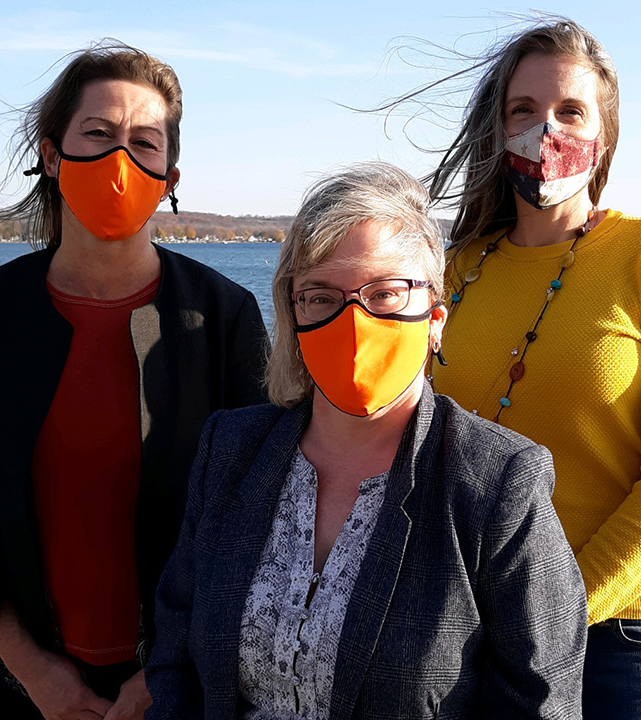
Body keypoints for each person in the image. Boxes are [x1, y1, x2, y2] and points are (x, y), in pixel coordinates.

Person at [145, 162, 587, 720]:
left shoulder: (497, 486)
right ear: (294, 315)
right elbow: (176, 650)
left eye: (385, 294)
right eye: (323, 297)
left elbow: (539, 703)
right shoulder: (230, 450)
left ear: (435, 319)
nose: (355, 324)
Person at [0, 42, 269, 720]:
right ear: (53, 156)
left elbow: (252, 514)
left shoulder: (222, 316)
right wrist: (35, 672)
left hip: (182, 687)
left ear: (170, 173)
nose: (120, 160)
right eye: (99, 134)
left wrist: (166, 666)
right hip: (28, 694)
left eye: (145, 141)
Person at [422, 17, 641, 719]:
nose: (545, 130)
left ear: (604, 135)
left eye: (570, 111)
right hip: (480, 624)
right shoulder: (458, 266)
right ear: (498, 133)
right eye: (522, 110)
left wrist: (563, 608)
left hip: (627, 630)